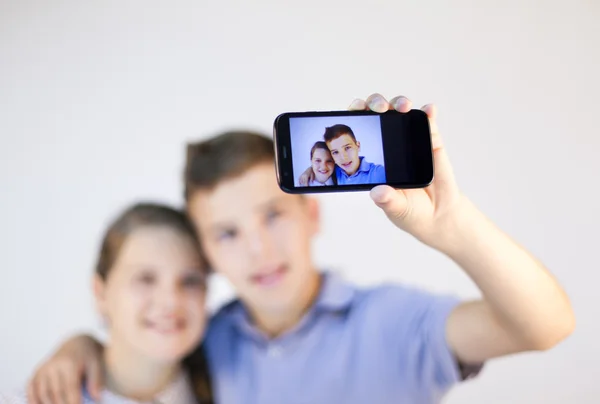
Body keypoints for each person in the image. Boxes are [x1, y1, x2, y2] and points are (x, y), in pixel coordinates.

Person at [25, 94, 575, 404]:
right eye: (227, 234)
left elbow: (544, 325)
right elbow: (135, 367)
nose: (259, 248)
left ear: (312, 210)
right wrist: (81, 348)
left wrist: (454, 229)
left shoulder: (388, 323)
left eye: (272, 216)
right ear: (207, 255)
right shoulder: (208, 340)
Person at [5, 203, 213, 404]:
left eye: (191, 281)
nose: (171, 300)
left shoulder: (228, 390)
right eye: (145, 279)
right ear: (101, 292)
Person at [299, 123, 386, 185]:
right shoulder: (335, 169)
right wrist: (309, 170)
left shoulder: (378, 173)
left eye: (347, 148)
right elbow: (322, 165)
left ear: (358, 146)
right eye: (335, 152)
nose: (343, 157)